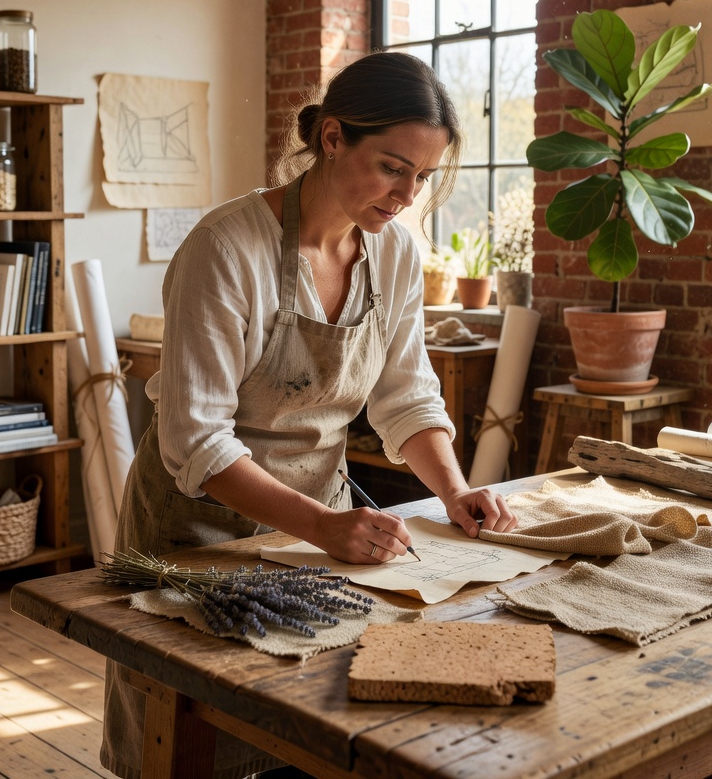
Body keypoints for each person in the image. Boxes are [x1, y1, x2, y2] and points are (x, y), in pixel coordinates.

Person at [100, 50, 518, 779]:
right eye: (392, 167)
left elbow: (405, 394)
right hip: (200, 532)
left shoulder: (393, 255)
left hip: (318, 534)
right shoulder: (226, 248)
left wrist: (453, 491)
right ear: (331, 138)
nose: (405, 195)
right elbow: (196, 440)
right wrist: (324, 525)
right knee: (192, 742)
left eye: (422, 178)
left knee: (309, 733)